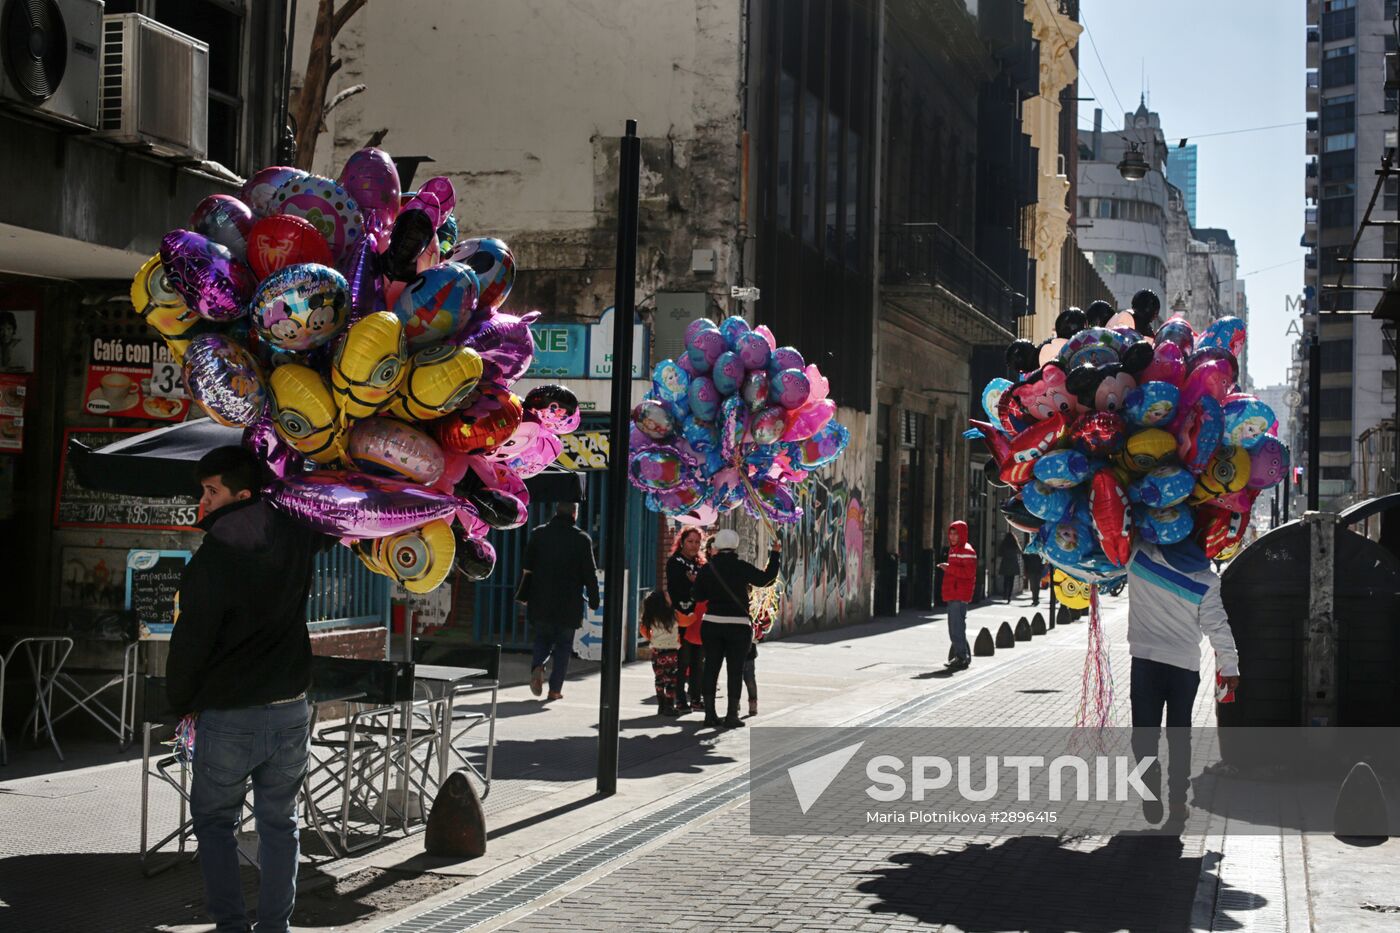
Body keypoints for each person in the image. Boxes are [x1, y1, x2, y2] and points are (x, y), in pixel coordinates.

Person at [166, 446, 329, 933]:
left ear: (242, 495)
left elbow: (192, 639)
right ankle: (275, 927)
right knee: (281, 823)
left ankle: (232, 926)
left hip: (230, 714)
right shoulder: (297, 537)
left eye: (211, 491)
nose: (203, 502)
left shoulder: (214, 557)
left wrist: (181, 702)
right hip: (289, 709)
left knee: (215, 822)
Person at [1126, 540, 1241, 828]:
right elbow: (1217, 625)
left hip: (1145, 663)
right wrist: (1229, 665)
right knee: (1179, 737)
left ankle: (1149, 783)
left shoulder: (1138, 558)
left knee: (1144, 734)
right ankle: (1178, 803)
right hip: (1184, 668)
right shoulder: (1206, 580)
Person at [693, 529, 780, 729]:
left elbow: (697, 596)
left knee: (711, 668)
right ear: (735, 546)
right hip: (738, 626)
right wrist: (775, 554)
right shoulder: (741, 567)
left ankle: (709, 715)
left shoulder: (707, 569)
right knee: (735, 671)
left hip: (712, 623)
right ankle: (732, 715)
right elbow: (766, 579)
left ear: (716, 546)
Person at [521, 502, 600, 701]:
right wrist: (594, 598)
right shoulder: (581, 539)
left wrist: (524, 594)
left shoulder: (538, 534)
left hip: (541, 599)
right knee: (564, 646)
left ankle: (538, 665)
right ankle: (554, 690)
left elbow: (527, 566)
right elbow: (589, 573)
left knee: (542, 638)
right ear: (575, 513)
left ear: (556, 511)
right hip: (569, 602)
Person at [666, 527, 705, 712]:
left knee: (698, 661)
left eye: (697, 542)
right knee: (682, 660)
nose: (694, 545)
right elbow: (676, 588)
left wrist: (695, 582)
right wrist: (693, 583)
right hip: (681, 618)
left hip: (698, 618)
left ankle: (696, 697)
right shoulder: (675, 562)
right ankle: (680, 699)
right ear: (682, 542)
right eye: (690, 541)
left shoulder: (701, 564)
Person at [936, 520, 977, 672]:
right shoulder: (954, 550)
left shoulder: (967, 551)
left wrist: (949, 568)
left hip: (959, 594)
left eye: (956, 534)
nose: (952, 537)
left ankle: (961, 657)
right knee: (955, 627)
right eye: (951, 534)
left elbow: (969, 573)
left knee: (956, 628)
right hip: (954, 593)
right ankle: (963, 656)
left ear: (962, 534)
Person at [640, 589, 682, 717]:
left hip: (657, 653)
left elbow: (643, 631)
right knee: (671, 680)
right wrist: (693, 616)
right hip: (671, 653)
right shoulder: (673, 615)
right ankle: (669, 706)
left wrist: (652, 639)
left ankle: (661, 705)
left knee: (659, 679)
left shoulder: (650, 618)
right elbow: (687, 621)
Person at [997, 530, 1020, 603]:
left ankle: (1005, 594)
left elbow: (999, 553)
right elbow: (1020, 551)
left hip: (1005, 563)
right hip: (1013, 564)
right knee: (1011, 581)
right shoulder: (1015, 544)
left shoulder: (1004, 544)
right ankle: (1009, 596)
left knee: (1006, 580)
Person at [1022, 541, 1044, 608]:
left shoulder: (1029, 548)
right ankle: (1035, 599)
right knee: (1036, 585)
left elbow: (1024, 557)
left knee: (1033, 585)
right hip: (1037, 570)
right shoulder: (1039, 548)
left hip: (1032, 570)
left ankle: (1035, 599)